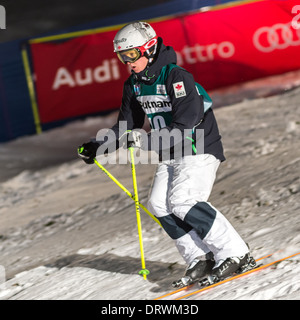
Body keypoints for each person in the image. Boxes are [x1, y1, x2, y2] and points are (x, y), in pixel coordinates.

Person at [78, 21, 256, 287]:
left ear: (148, 49)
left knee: (183, 201)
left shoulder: (176, 77)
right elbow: (127, 125)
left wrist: (147, 142)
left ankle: (235, 252)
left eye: (131, 54)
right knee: (158, 205)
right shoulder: (134, 84)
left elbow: (185, 125)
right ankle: (199, 256)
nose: (127, 62)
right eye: (122, 56)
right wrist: (98, 146)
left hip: (198, 147)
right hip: (170, 152)